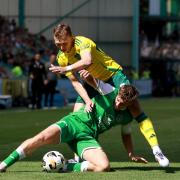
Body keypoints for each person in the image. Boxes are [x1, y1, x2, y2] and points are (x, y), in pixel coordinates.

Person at [0, 72, 169, 173]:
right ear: (117, 93)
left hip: (87, 138)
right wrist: (87, 76)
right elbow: (94, 82)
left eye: (122, 104)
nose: (118, 104)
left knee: (104, 167)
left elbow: (126, 133)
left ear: (130, 104)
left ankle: (65, 166)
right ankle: (4, 163)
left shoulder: (127, 116)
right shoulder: (110, 91)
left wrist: (131, 153)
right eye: (118, 100)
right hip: (74, 123)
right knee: (40, 138)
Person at [49, 24, 166, 162]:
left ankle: (156, 150)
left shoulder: (83, 42)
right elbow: (75, 82)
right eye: (58, 45)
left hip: (113, 76)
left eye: (64, 43)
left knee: (134, 107)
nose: (62, 47)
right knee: (77, 115)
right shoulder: (61, 57)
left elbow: (87, 60)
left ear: (72, 38)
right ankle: (78, 158)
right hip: (90, 81)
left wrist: (66, 68)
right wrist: (87, 101)